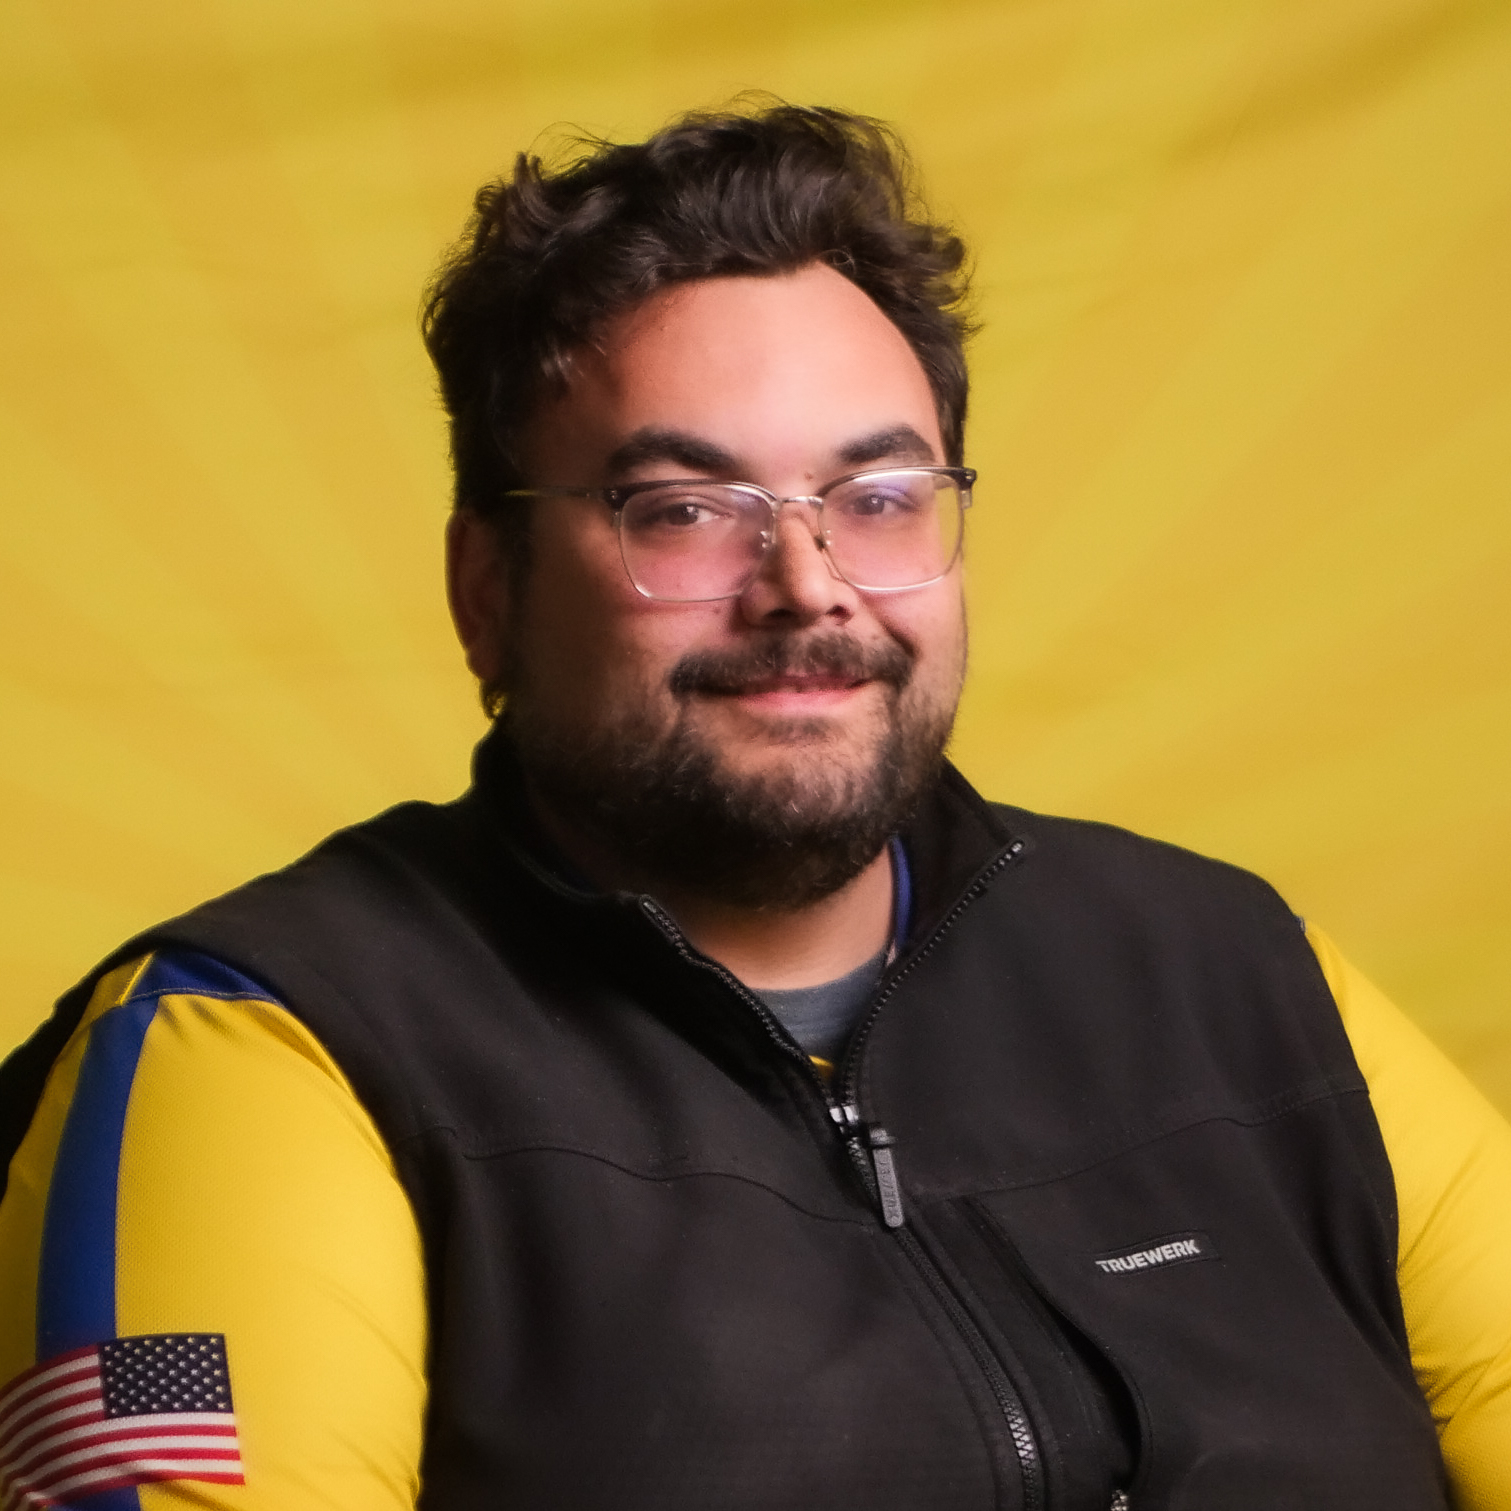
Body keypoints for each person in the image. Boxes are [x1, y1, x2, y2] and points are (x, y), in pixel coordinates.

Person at [1, 103, 1508, 1511]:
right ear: (488, 591)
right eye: (684, 511)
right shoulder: (244, 1052)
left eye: (880, 496)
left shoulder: (1235, 972)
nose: (809, 587)